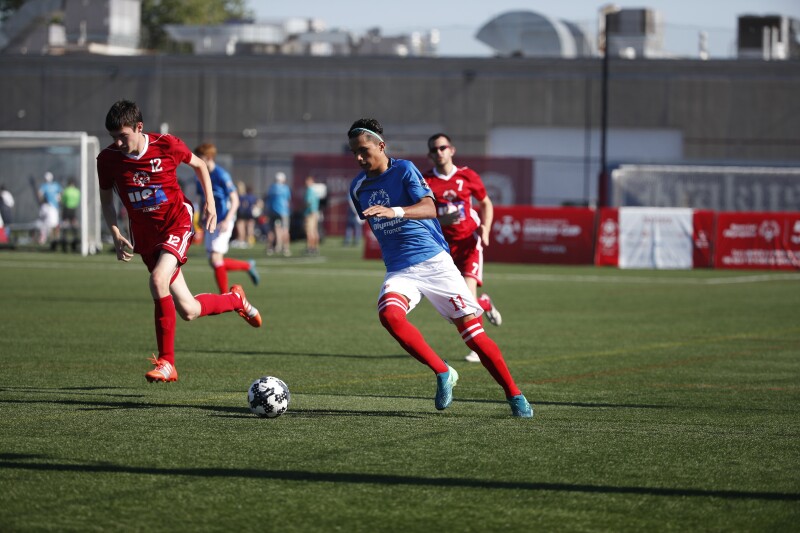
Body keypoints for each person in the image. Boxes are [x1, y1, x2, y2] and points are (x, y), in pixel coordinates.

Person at [347, 118, 533, 418]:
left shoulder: (405, 169)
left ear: (381, 146)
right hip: (399, 269)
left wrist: (394, 210)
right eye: (353, 152)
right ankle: (444, 371)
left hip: (434, 263)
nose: (358, 157)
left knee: (474, 335)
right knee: (389, 315)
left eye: (364, 150)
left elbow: (431, 207)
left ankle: (514, 394)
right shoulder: (358, 187)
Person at [97, 100, 263, 383]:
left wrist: (209, 203)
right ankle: (236, 299)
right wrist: (114, 231)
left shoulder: (166, 145)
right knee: (188, 310)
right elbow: (106, 200)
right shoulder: (108, 159)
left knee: (158, 280)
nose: (119, 143)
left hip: (177, 222)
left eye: (123, 136)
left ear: (139, 127)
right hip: (146, 237)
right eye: (114, 138)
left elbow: (199, 165)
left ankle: (167, 362)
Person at [423, 133, 502, 363]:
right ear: (430, 155)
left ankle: (477, 349)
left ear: (452, 150)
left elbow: (485, 202)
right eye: (434, 150)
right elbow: (422, 213)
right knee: (454, 306)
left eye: (443, 147)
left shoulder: (467, 176)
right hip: (443, 249)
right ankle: (484, 303)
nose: (439, 152)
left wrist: (485, 228)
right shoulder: (426, 181)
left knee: (466, 300)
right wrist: (439, 220)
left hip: (469, 242)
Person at [194, 143, 260, 293]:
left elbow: (235, 200)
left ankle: (224, 296)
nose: (197, 161)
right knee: (214, 261)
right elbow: (202, 198)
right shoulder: (200, 175)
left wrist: (227, 220)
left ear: (209, 158)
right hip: (210, 220)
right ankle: (248, 266)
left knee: (216, 259)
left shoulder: (221, 175)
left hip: (223, 219)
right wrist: (199, 218)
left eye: (200, 158)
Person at [264, 172, 291, 256]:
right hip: (283, 212)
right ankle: (285, 248)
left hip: (272, 211)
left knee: (272, 230)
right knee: (285, 230)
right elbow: (288, 200)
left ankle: (271, 247)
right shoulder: (285, 188)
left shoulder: (272, 188)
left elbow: (267, 198)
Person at [37, 171, 62, 246]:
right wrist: (59, 198)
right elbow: (61, 193)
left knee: (45, 224)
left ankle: (45, 238)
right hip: (52, 207)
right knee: (54, 224)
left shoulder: (44, 186)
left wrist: (41, 201)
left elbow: (39, 194)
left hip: (46, 207)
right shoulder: (56, 185)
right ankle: (55, 239)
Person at [234, 181, 260, 247]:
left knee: (242, 227)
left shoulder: (241, 196)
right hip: (249, 213)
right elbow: (259, 202)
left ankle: (242, 241)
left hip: (243, 213)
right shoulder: (248, 196)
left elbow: (242, 205)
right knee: (249, 228)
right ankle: (248, 241)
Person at [60, 177, 80, 252]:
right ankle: (74, 243)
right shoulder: (77, 191)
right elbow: (77, 201)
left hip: (66, 210)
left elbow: (63, 201)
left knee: (64, 226)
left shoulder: (66, 190)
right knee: (74, 227)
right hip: (73, 210)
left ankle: (64, 244)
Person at [303, 175, 320, 255]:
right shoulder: (315, 191)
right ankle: (315, 247)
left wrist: (310, 211)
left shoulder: (309, 190)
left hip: (310, 213)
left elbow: (309, 202)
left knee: (309, 231)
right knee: (314, 231)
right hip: (315, 212)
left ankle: (310, 247)